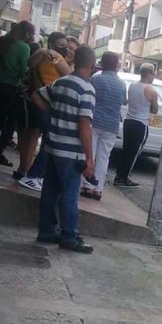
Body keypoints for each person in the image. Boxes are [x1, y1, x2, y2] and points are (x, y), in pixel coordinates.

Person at [32, 45, 96, 253]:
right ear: (92, 64)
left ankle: (46, 231)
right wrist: (90, 158)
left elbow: (36, 95)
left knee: (49, 190)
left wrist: (54, 114)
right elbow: (84, 125)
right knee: (70, 193)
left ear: (75, 61)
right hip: (71, 152)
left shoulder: (60, 82)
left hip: (52, 146)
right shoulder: (86, 89)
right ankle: (69, 236)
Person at [16, 32, 73, 187]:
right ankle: (32, 173)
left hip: (33, 98)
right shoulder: (54, 56)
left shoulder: (41, 54)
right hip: (45, 101)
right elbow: (70, 75)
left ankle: (24, 168)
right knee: (46, 138)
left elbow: (29, 63)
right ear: (53, 44)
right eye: (62, 45)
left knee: (30, 134)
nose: (65, 48)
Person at [0, 20, 35, 167]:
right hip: (11, 86)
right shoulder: (24, 47)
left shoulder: (3, 41)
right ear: (27, 33)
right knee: (11, 122)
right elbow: (23, 70)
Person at [82, 52, 126, 201]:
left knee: (91, 153)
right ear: (116, 65)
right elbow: (124, 101)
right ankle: (98, 189)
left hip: (95, 121)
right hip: (112, 124)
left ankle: (87, 185)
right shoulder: (122, 83)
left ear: (102, 63)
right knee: (104, 157)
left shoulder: (96, 79)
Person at [114, 63, 158, 187]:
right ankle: (123, 177)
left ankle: (120, 174)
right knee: (134, 152)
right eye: (153, 73)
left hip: (129, 121)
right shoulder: (151, 91)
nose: (154, 76)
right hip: (140, 123)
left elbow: (129, 101)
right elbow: (155, 110)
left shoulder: (132, 86)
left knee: (126, 149)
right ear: (149, 73)